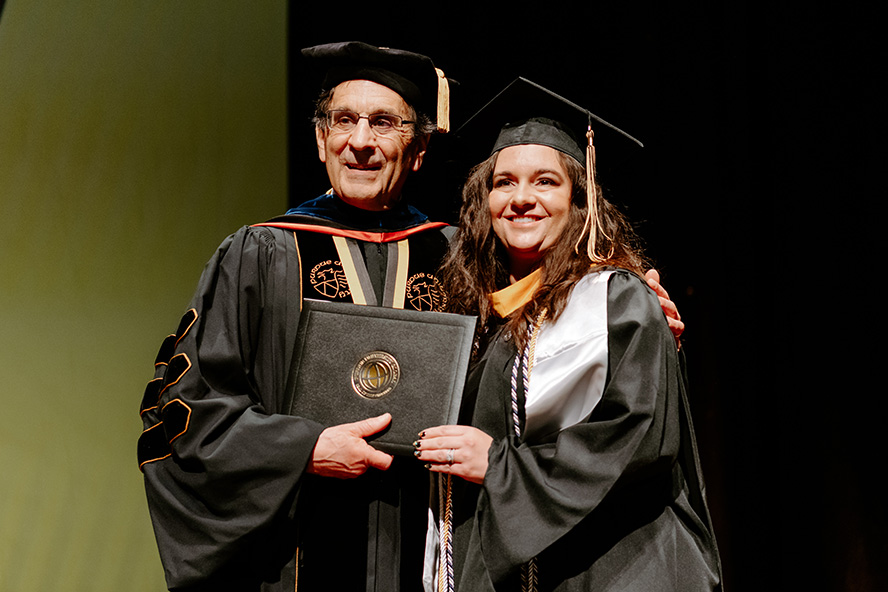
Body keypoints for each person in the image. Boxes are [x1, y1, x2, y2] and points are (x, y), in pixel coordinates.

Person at [137, 42, 684, 590]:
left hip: (433, 554)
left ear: (418, 148)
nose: (360, 142)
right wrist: (304, 448)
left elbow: (557, 319)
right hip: (295, 554)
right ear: (320, 139)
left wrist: (635, 301)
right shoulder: (258, 254)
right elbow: (186, 410)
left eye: (384, 123)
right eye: (343, 121)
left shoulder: (462, 257)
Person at [415, 78, 721, 591]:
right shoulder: (473, 314)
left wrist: (498, 466)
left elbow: (640, 437)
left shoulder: (614, 300)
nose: (521, 199)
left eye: (545, 182)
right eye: (503, 182)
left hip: (615, 565)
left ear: (580, 199)